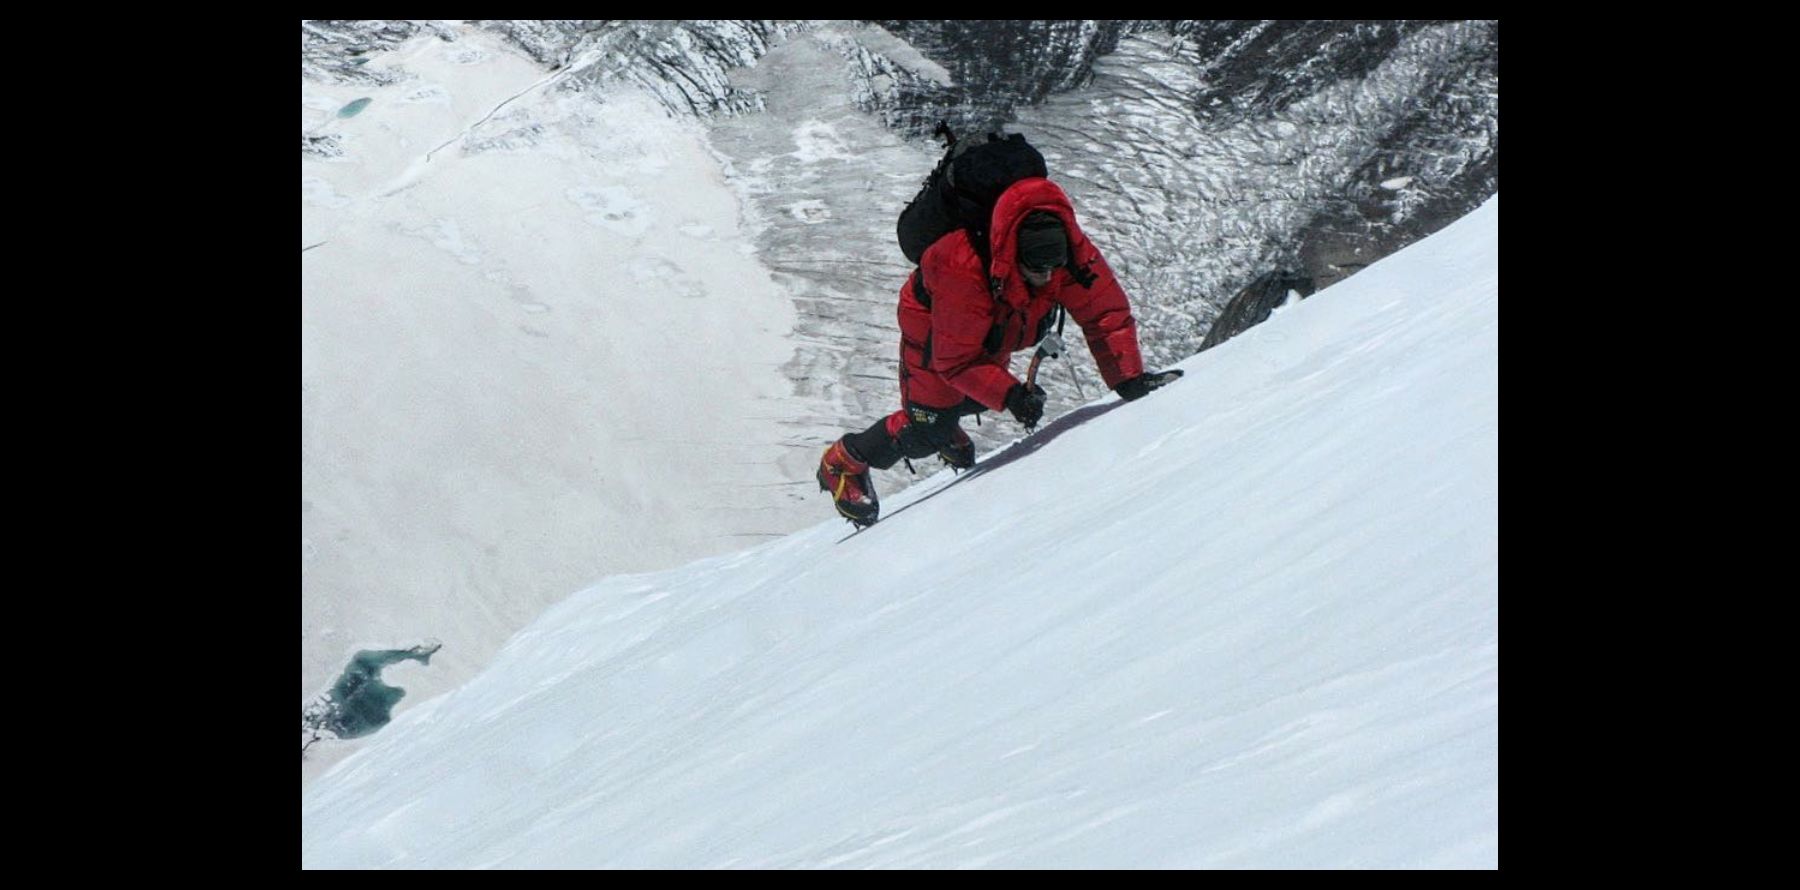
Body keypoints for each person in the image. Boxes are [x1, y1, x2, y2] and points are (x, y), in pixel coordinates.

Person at [817, 176, 1183, 525]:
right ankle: (846, 460)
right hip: (934, 326)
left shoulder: (1065, 254)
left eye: (1054, 269)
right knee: (926, 427)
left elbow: (1104, 312)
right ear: (1014, 255)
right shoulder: (963, 267)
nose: (1047, 278)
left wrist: (1129, 378)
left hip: (990, 326)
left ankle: (946, 421)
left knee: (976, 396)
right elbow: (955, 359)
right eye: (1036, 269)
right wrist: (1010, 395)